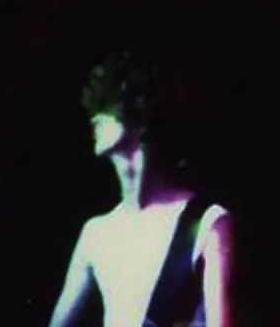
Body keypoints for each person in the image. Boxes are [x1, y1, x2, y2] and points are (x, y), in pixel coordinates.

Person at [49, 51, 234, 327]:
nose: (94, 118)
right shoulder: (94, 233)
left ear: (141, 111)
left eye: (108, 103)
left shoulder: (206, 222)